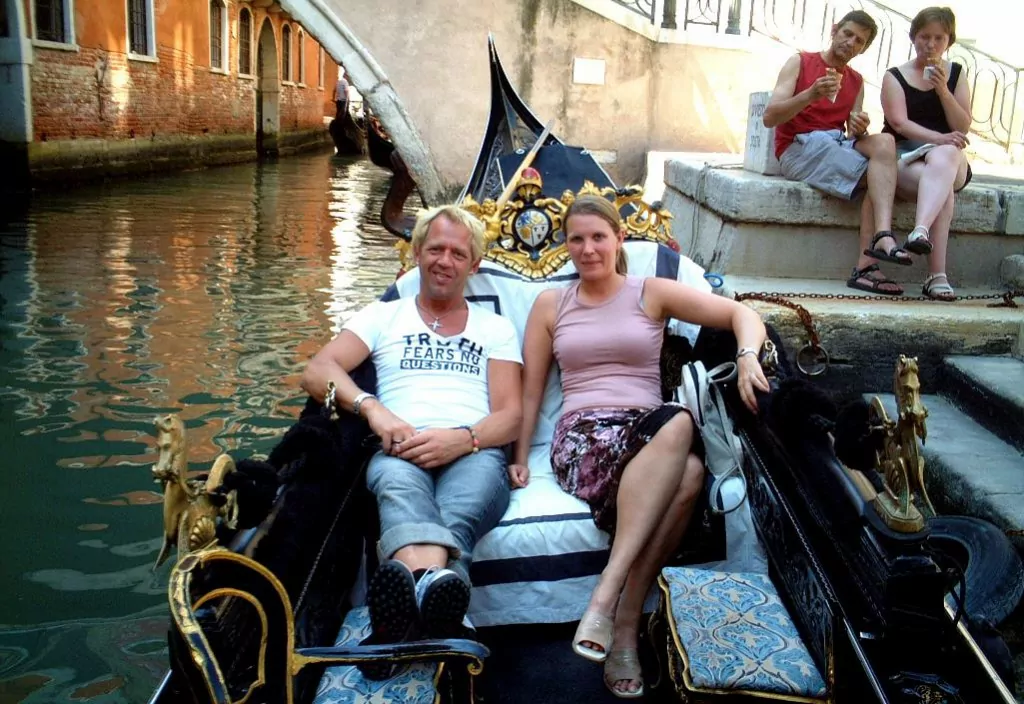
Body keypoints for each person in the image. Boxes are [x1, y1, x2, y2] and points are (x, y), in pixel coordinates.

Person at [508, 195, 769, 698]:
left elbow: (743, 315)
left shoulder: (650, 293)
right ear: (565, 246)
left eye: (597, 237)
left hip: (648, 427)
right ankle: (613, 603)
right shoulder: (550, 304)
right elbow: (532, 389)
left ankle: (618, 618)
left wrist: (748, 356)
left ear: (618, 239)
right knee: (679, 437)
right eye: (576, 239)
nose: (587, 249)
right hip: (584, 437)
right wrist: (521, 456)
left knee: (690, 470)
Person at [300, 205, 522, 675]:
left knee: (459, 511)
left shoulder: (495, 329)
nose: (445, 260)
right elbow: (317, 370)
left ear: (473, 264)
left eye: (458, 253)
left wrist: (461, 440)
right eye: (436, 249)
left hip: (474, 450)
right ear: (417, 252)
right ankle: (442, 617)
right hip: (400, 446)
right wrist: (373, 410)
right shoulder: (383, 316)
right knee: (397, 487)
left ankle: (394, 632)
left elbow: (510, 417)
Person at [763, 10, 911, 296]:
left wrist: (859, 126)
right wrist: (810, 94)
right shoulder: (800, 61)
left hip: (834, 143)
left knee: (885, 144)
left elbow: (852, 132)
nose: (850, 43)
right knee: (880, 177)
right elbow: (770, 118)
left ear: (863, 48)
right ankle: (867, 264)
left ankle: (882, 235)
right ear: (834, 31)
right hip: (797, 147)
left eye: (859, 41)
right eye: (847, 34)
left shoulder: (855, 81)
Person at [881, 6, 972, 301]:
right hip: (908, 158)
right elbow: (898, 123)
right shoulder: (895, 76)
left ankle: (920, 229)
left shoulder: (956, 75)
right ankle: (937, 276)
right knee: (941, 187)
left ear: (948, 41)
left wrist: (943, 90)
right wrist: (940, 137)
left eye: (938, 38)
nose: (930, 45)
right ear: (913, 38)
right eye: (924, 37)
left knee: (946, 156)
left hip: (947, 160)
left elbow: (963, 126)